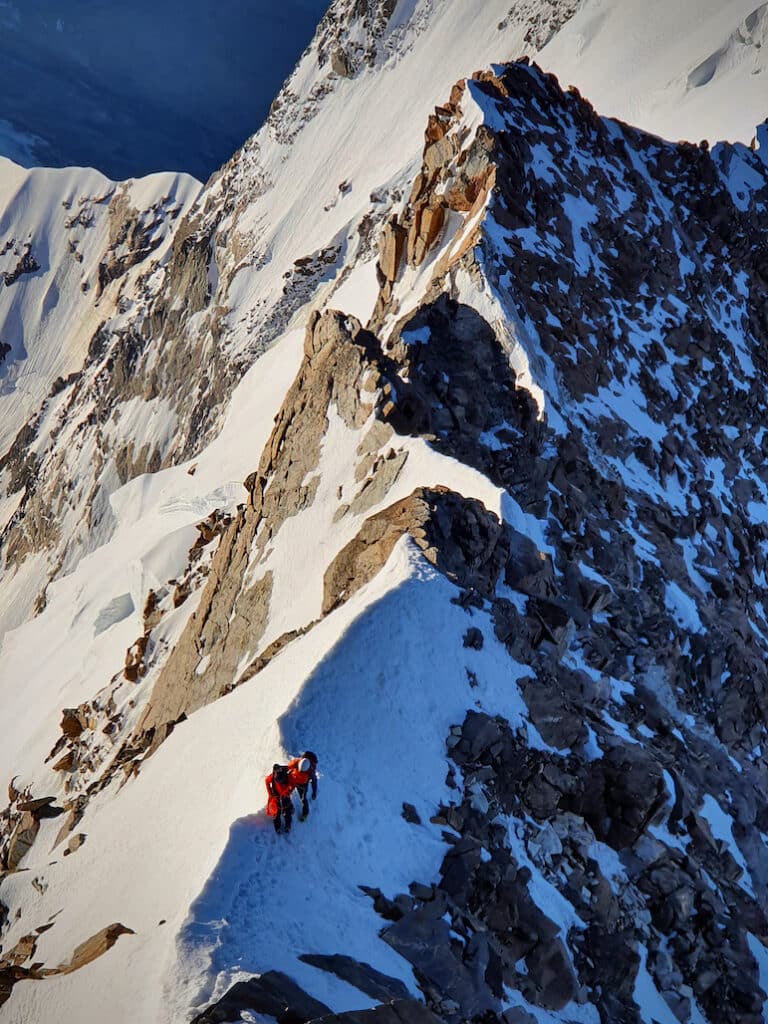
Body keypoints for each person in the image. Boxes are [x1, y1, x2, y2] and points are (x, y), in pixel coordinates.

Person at [286, 751, 318, 822]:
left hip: (303, 784)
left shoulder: (311, 772)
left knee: (303, 798)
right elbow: (287, 767)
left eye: (302, 771)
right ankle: (290, 807)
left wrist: (314, 792)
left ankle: (305, 813)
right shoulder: (296, 762)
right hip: (293, 779)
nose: (300, 771)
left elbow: (314, 782)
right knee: (287, 793)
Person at [265, 763, 294, 834]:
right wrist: (270, 793)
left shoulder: (288, 776)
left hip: (285, 796)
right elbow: (266, 781)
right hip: (276, 797)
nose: (279, 782)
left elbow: (293, 784)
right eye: (277, 781)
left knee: (287, 810)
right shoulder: (272, 777)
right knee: (276, 812)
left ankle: (288, 825)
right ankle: (277, 827)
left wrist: (289, 792)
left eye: (280, 781)